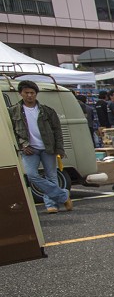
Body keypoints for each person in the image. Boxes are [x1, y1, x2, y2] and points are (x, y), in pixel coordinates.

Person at [9, 80, 72, 213]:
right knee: (31, 175)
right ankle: (63, 195)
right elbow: (12, 131)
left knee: (51, 176)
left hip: (48, 147)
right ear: (21, 93)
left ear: (36, 94)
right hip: (29, 149)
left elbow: (57, 130)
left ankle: (51, 205)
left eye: (32, 93)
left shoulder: (47, 111)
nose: (29, 95)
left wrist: (59, 148)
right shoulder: (13, 111)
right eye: (26, 93)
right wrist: (22, 145)